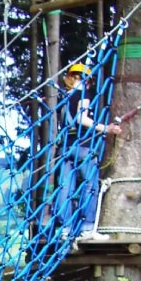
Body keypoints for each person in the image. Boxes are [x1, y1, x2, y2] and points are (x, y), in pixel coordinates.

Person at [55, 63, 122, 241]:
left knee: (65, 188)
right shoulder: (83, 94)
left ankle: (65, 228)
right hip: (83, 146)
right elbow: (81, 119)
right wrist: (106, 128)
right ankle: (87, 227)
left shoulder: (64, 98)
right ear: (88, 81)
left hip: (65, 148)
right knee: (90, 186)